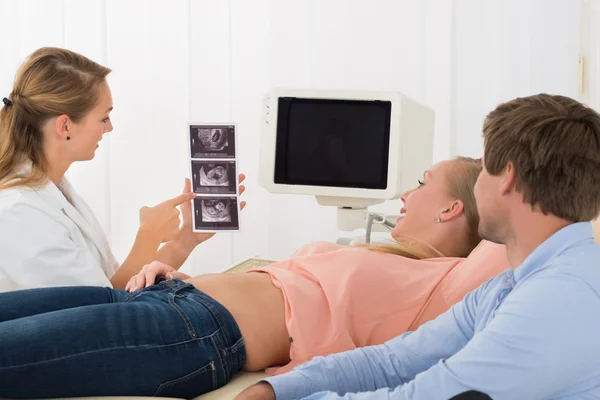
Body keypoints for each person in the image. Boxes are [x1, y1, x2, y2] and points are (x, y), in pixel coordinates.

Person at [0, 156, 510, 399]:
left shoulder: (448, 284)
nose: (405, 193)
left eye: (422, 183)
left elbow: (542, 223)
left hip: (198, 333)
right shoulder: (387, 255)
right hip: (167, 296)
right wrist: (175, 267)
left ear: (453, 208)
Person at [237, 93, 600, 400]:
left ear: (507, 178)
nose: (476, 187)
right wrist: (275, 390)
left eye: (484, 169)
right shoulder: (509, 286)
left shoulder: (562, 295)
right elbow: (395, 360)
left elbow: (430, 394)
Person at [0, 47, 239, 291]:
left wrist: (186, 238)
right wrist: (149, 234)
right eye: (104, 118)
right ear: (65, 126)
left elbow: (124, 286)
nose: (110, 127)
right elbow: (103, 308)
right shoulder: (19, 213)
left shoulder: (57, 190)